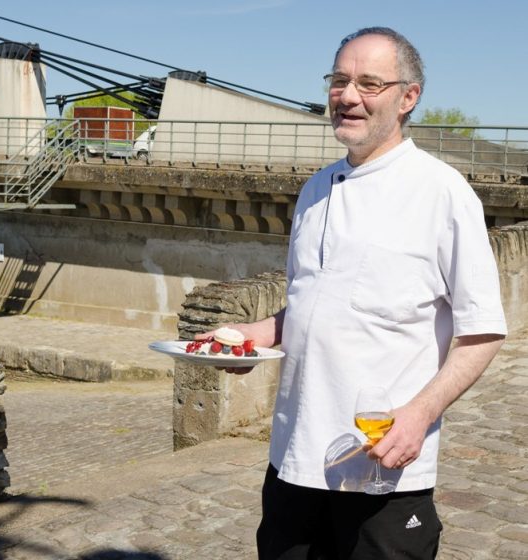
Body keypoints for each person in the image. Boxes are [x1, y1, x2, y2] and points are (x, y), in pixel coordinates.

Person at [199, 27, 507, 558]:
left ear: (408, 97)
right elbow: (310, 306)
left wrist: (418, 416)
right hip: (293, 461)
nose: (347, 96)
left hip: (383, 468)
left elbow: (482, 331)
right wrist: (250, 337)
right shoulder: (315, 189)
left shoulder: (442, 192)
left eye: (369, 83)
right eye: (339, 80)